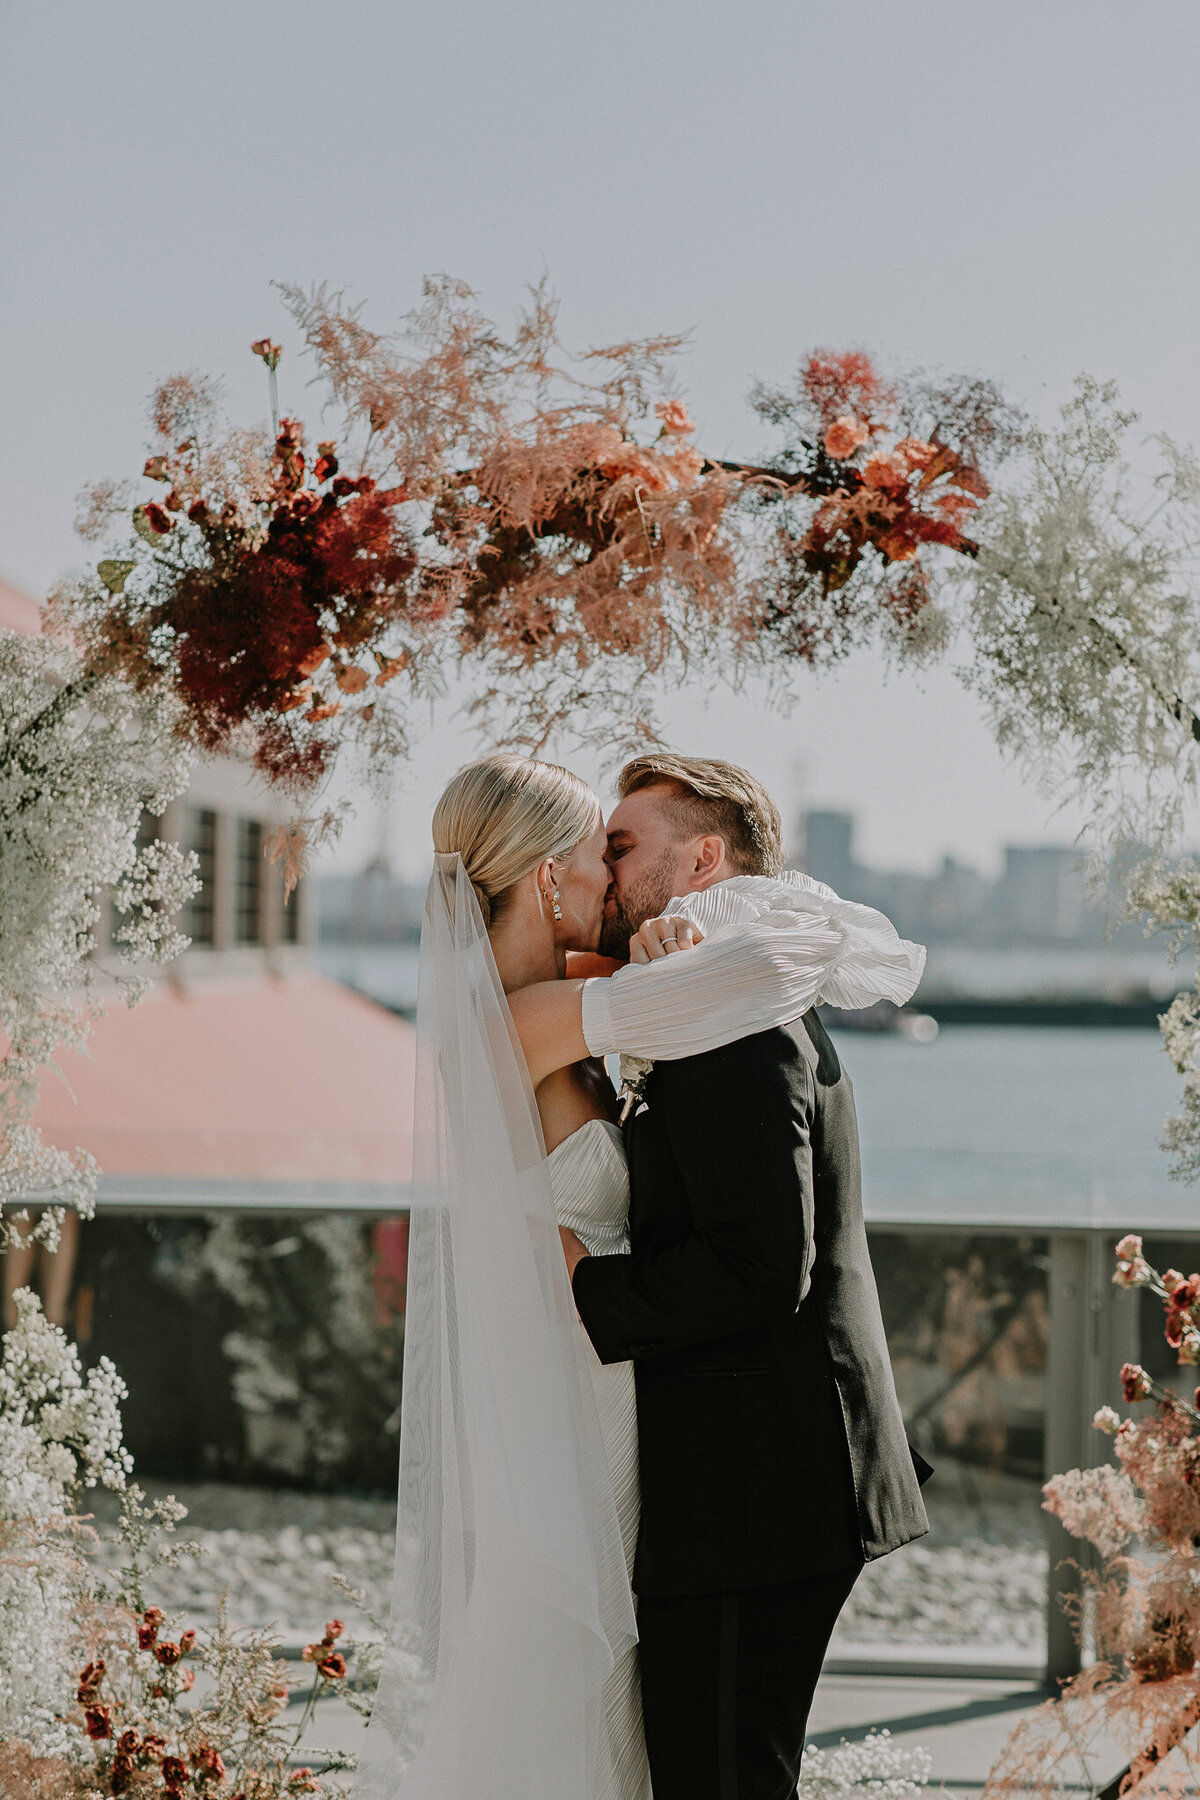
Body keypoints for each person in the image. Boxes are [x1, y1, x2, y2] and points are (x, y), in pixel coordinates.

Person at [352, 752, 927, 1800]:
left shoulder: (630, 993)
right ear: (543, 877)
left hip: (719, 1450)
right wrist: (697, 949)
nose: (609, 876)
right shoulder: (537, 1021)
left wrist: (697, 934)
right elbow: (745, 980)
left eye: (624, 849)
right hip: (617, 1422)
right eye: (596, 850)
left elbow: (753, 1239)